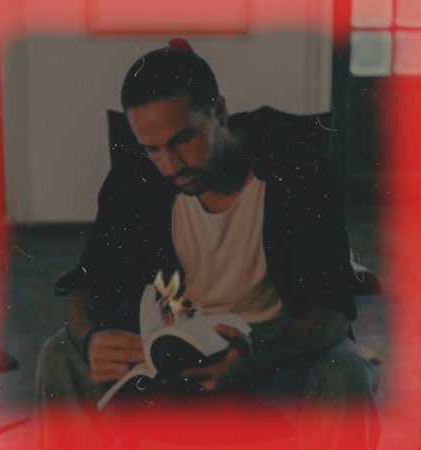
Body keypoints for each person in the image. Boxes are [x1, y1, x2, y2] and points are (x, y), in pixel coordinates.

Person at [35, 39, 379, 449]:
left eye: (183, 140)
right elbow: (86, 284)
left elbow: (333, 312)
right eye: (152, 149)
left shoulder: (298, 170)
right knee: (60, 353)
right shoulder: (137, 177)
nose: (170, 165)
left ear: (219, 112)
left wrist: (257, 356)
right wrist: (91, 338)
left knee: (345, 372)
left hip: (272, 347)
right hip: (177, 349)